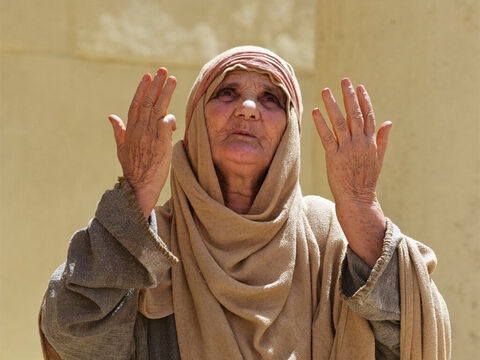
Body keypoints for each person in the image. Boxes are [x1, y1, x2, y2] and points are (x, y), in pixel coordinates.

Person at [39, 46, 450, 359]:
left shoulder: (329, 237)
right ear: (197, 121)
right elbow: (72, 333)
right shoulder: (151, 243)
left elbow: (413, 336)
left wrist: (361, 207)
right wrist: (136, 190)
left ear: (290, 133)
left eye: (271, 98)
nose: (248, 109)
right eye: (227, 92)